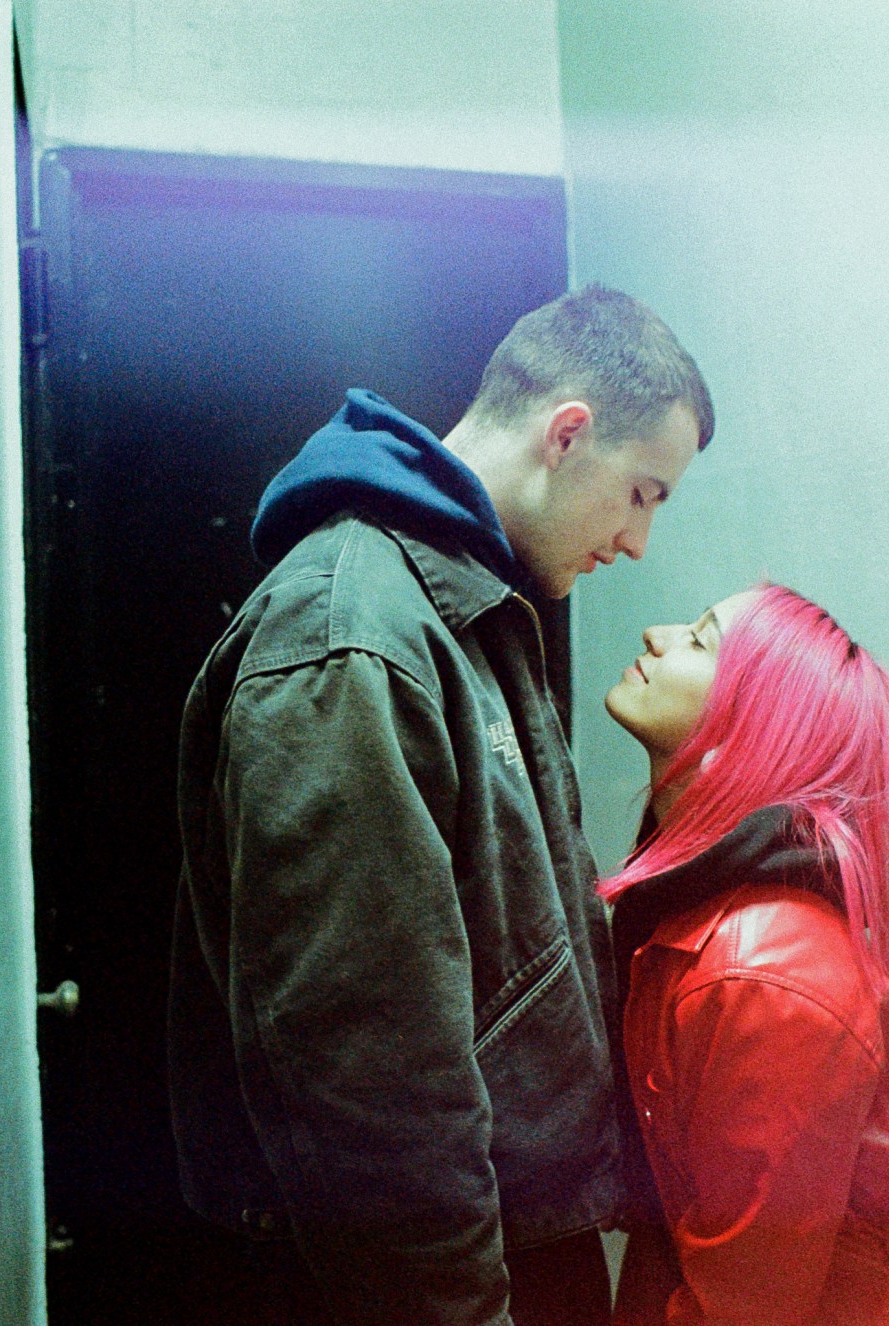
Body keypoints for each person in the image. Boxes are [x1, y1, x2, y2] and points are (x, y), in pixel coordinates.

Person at [167, 285, 712, 1326]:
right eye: (642, 493)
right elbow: (368, 1080)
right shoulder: (354, 635)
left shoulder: (463, 607)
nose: (638, 541)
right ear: (567, 434)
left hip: (509, 1249)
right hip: (446, 1285)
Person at [600, 585, 889, 1326]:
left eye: (699, 639)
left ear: (749, 726)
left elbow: (748, 1307)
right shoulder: (702, 913)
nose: (657, 635)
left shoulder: (767, 974)